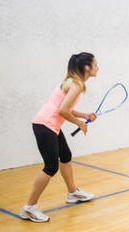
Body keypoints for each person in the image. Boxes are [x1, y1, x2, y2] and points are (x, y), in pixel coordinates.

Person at [20, 52, 98, 222]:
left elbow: (64, 108)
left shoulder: (71, 81)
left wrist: (84, 115)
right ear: (87, 67)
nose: (97, 68)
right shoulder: (76, 84)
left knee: (66, 156)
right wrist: (80, 123)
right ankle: (29, 207)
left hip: (48, 125)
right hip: (45, 125)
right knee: (51, 167)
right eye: (95, 64)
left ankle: (72, 193)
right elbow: (62, 111)